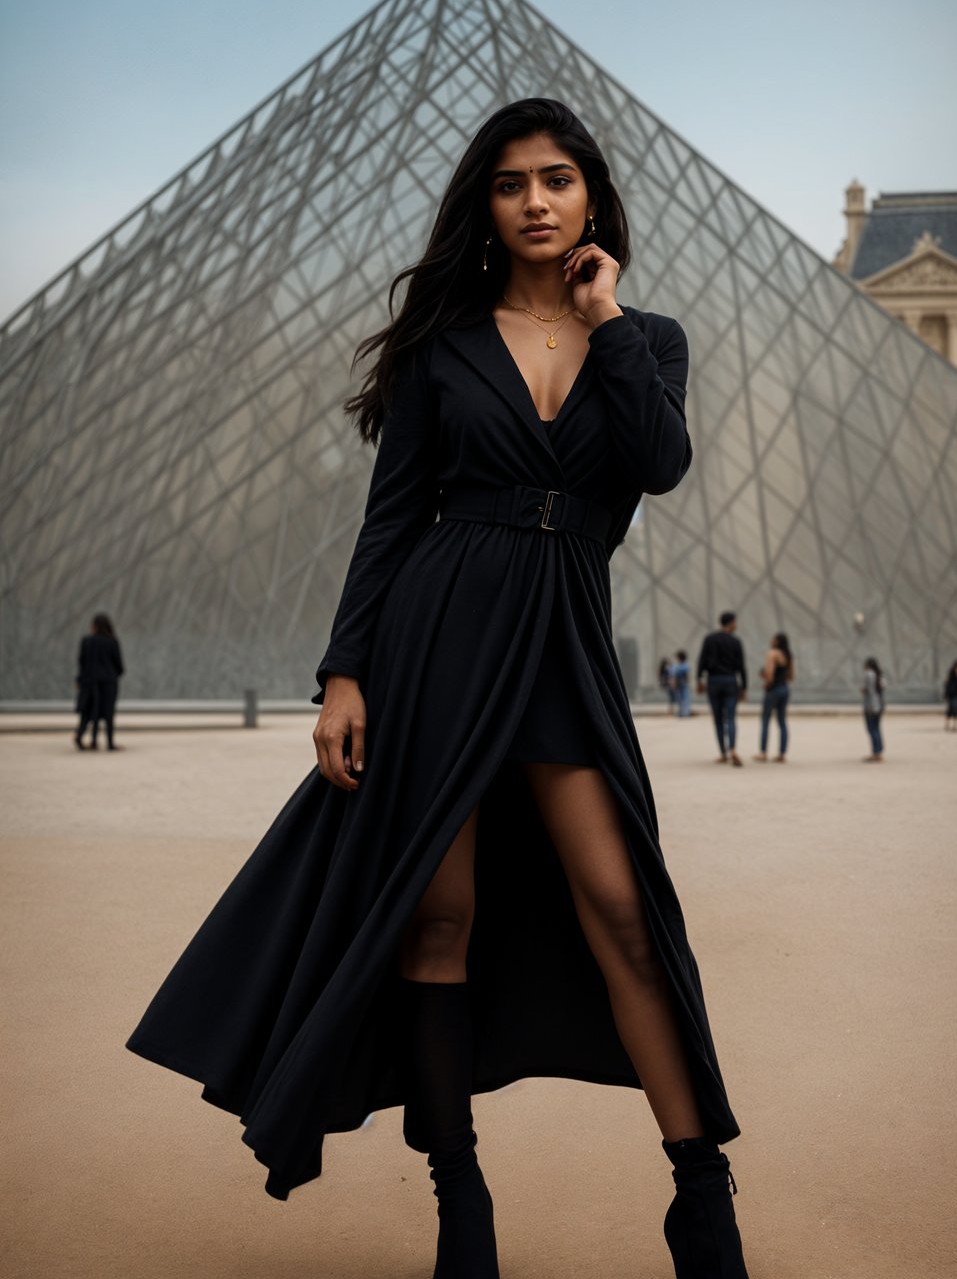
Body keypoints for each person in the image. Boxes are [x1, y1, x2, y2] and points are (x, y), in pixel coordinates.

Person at [125, 99, 747, 1279]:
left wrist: (603, 315)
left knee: (621, 907)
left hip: (561, 637)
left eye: (557, 180)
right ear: (487, 204)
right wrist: (344, 670)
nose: (535, 201)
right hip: (438, 636)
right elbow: (391, 518)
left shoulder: (645, 337)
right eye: (512, 184)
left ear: (592, 198)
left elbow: (657, 465)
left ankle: (699, 1184)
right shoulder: (442, 346)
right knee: (437, 913)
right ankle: (459, 1192)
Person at [696, 613, 747, 767]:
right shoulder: (736, 641)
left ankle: (723, 753)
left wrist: (699, 679)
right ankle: (732, 749)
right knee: (730, 717)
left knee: (718, 719)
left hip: (714, 681)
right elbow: (741, 666)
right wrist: (744, 686)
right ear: (730, 623)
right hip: (731, 680)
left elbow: (701, 660)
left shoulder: (709, 639)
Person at [73, 612, 124, 750]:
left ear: (94, 625)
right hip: (108, 682)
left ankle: (86, 737)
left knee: (90, 711)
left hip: (90, 682)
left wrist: (79, 679)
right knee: (108, 713)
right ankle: (110, 743)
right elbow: (119, 666)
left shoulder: (87, 641)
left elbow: (82, 662)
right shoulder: (112, 642)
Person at [753, 633, 793, 762]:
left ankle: (763, 752)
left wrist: (766, 682)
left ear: (777, 642)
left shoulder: (772, 654)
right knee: (782, 721)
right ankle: (782, 754)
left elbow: (770, 674)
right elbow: (791, 676)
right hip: (784, 689)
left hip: (773, 689)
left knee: (765, 720)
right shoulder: (788, 656)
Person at [861, 657, 885, 761]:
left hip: (871, 706)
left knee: (872, 729)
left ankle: (876, 753)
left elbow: (870, 691)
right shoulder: (880, 675)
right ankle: (878, 751)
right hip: (880, 704)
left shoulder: (869, 674)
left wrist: (871, 707)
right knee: (877, 729)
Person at [670, 649, 692, 718]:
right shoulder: (686, 665)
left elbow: (674, 676)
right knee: (685, 698)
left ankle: (682, 712)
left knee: (680, 698)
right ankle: (685, 712)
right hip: (683, 683)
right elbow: (688, 675)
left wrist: (673, 683)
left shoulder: (676, 666)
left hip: (679, 683)